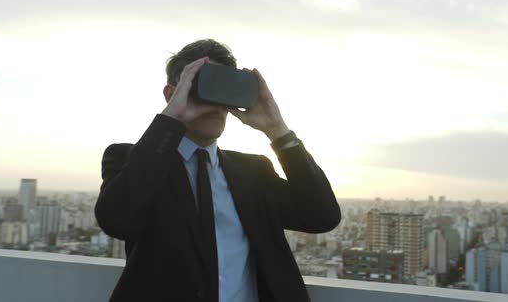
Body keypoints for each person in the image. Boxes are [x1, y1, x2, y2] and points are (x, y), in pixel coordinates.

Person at [94, 39, 341, 302]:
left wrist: (277, 130)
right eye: (203, 86)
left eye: (224, 88)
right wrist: (170, 120)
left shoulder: (253, 172)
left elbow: (322, 216)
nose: (216, 103)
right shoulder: (130, 160)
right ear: (171, 95)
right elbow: (116, 219)